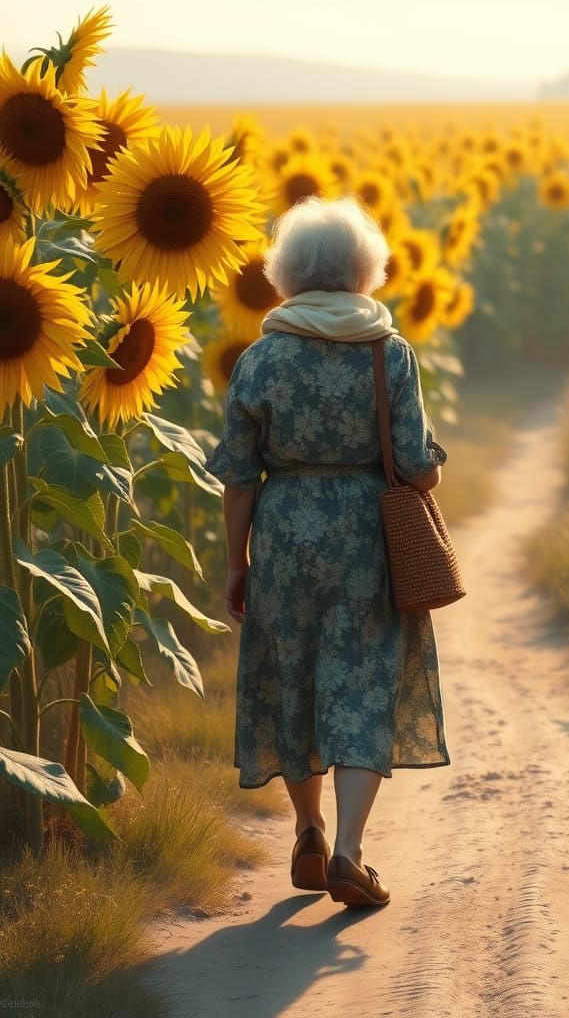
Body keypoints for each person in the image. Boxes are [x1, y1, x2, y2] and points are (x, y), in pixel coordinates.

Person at [204, 194, 452, 907]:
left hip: (284, 534)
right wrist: (425, 467)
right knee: (361, 683)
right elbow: (416, 465)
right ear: (364, 269)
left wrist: (237, 563)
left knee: (295, 679)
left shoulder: (261, 358)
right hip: (368, 537)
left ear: (286, 272)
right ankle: (348, 852)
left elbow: (238, 477)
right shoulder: (387, 351)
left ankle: (308, 832)